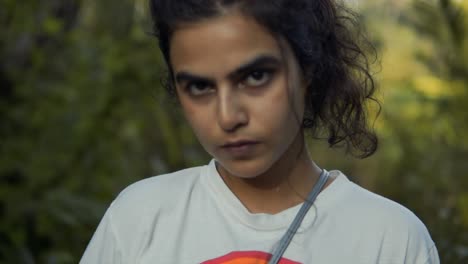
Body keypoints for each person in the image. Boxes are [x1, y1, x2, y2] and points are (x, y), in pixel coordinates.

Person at [80, 0, 439, 263]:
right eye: (199, 87)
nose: (227, 116)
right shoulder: (139, 220)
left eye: (255, 77)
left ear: (308, 69)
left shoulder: (390, 240)